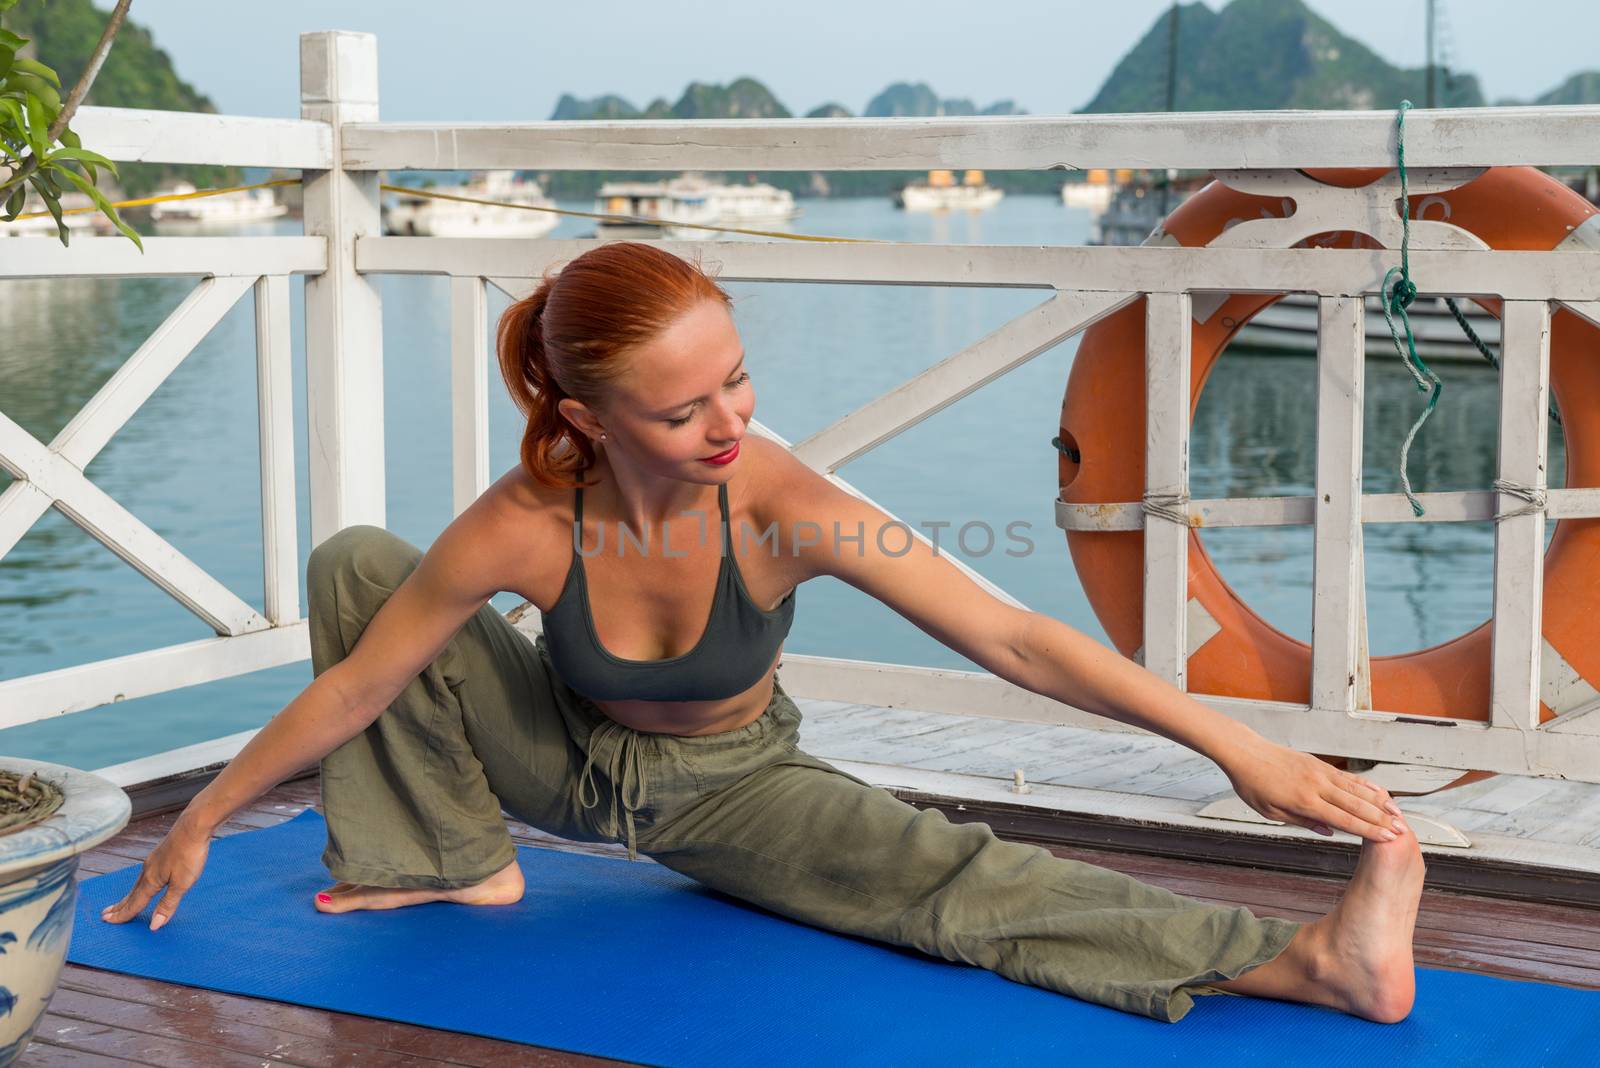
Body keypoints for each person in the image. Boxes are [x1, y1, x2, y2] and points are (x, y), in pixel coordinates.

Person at [100, 242, 1424, 1025]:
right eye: (684, 411)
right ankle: (452, 858)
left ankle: (1311, 959)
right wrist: (205, 813)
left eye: (737, 377)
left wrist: (1231, 749)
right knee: (360, 565)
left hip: (731, 790)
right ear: (591, 420)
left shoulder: (783, 503)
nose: (728, 422)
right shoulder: (521, 517)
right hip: (559, 758)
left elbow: (1017, 641)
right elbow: (360, 688)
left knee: (951, 884)